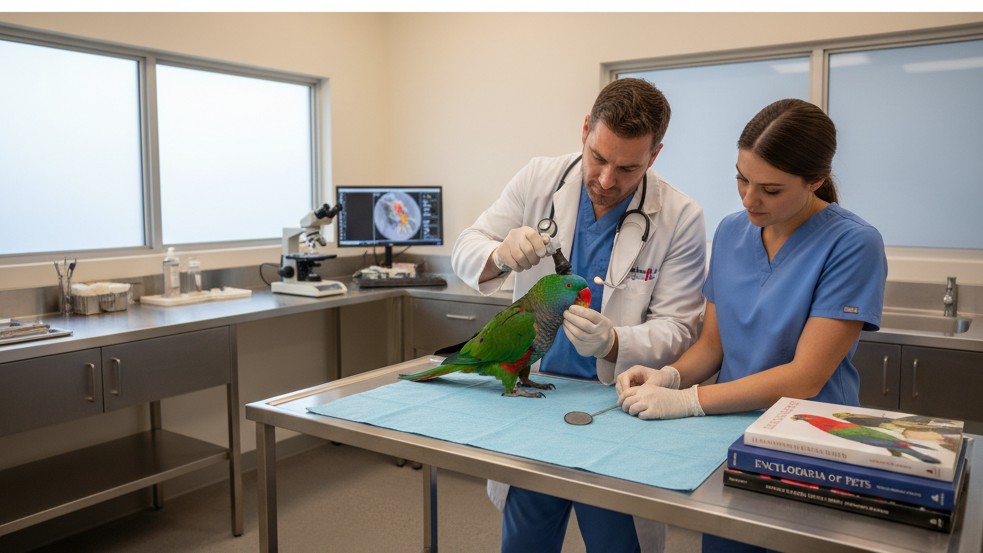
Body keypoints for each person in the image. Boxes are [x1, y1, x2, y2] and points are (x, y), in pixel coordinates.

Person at [615, 98, 888, 553]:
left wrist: (686, 401)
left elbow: (806, 376)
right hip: (731, 439)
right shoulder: (730, 232)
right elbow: (712, 346)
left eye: (771, 189)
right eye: (741, 178)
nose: (749, 199)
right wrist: (670, 375)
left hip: (813, 445)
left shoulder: (853, 244)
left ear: (815, 180)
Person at [452, 78, 707, 553]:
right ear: (586, 129)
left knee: (618, 542)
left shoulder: (681, 216)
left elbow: (679, 328)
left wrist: (614, 343)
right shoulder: (539, 178)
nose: (607, 180)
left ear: (654, 156)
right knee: (526, 542)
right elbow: (466, 248)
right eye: (598, 158)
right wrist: (501, 255)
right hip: (536, 399)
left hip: (613, 407)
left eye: (628, 168)